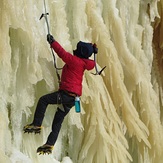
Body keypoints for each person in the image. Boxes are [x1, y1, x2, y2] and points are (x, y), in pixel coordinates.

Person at [23, 34, 97, 154]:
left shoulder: (74, 61)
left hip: (65, 95)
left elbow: (61, 53)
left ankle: (37, 124)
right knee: (58, 121)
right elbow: (93, 64)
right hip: (73, 100)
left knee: (43, 100)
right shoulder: (85, 64)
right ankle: (49, 144)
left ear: (79, 52)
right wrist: (93, 50)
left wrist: (52, 42)